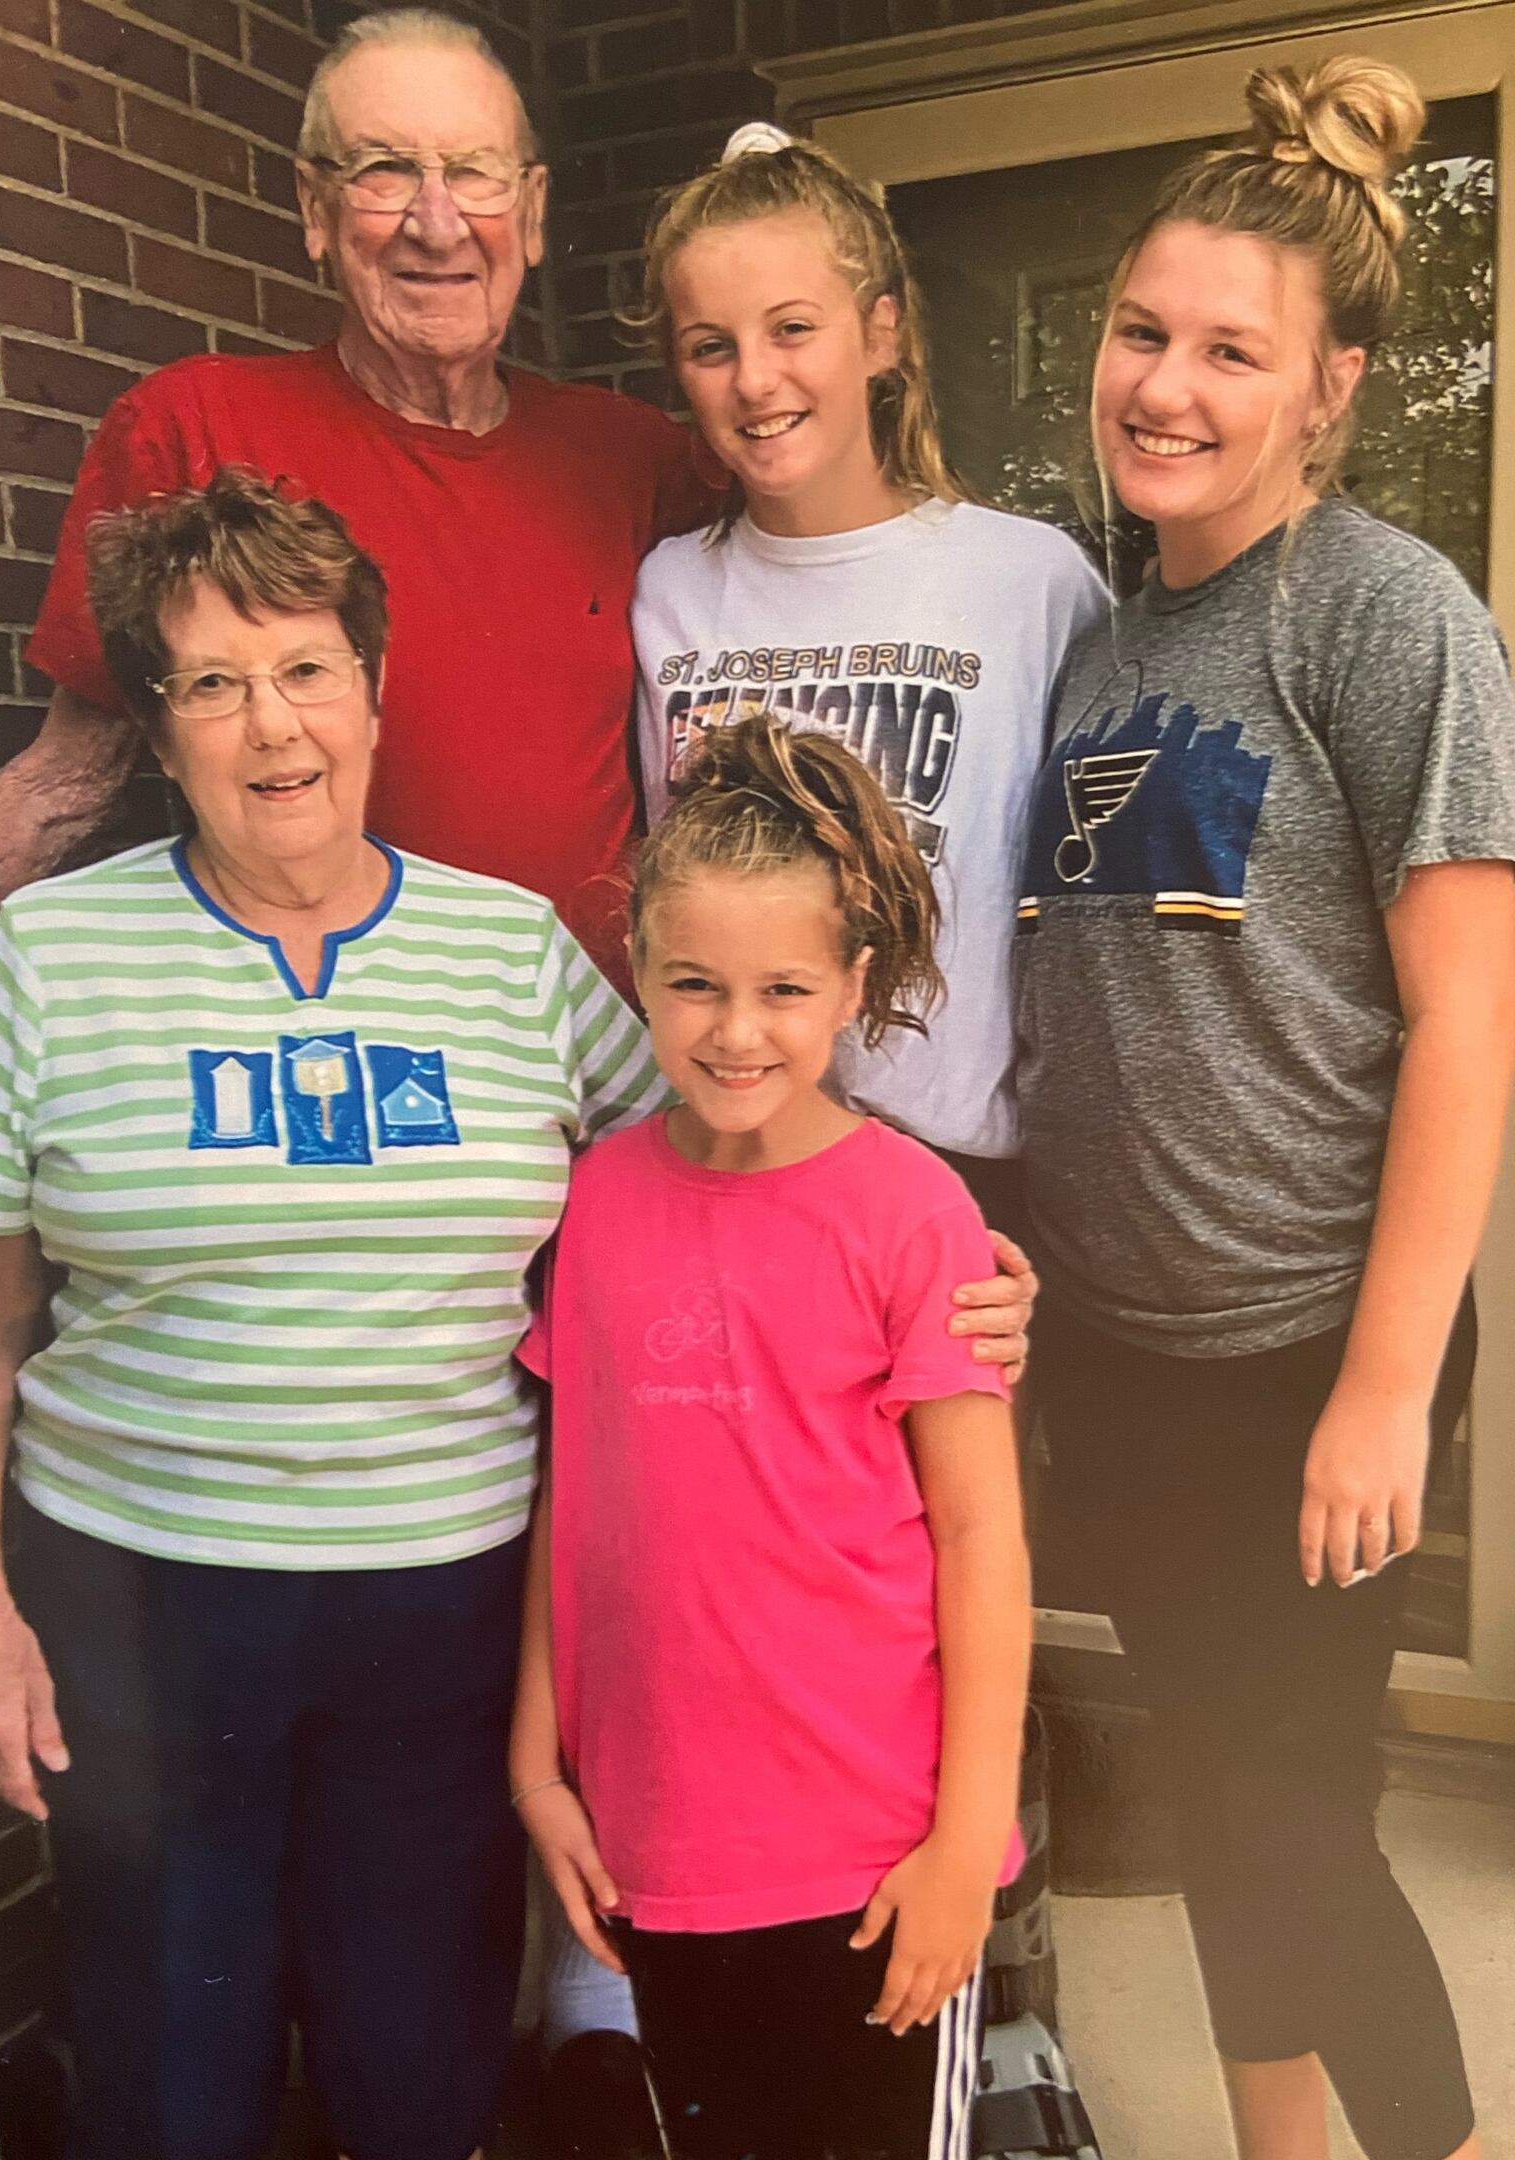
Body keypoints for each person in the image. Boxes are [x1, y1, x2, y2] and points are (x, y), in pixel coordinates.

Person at [0, 469, 667, 2160]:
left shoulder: (514, 953)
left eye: (309, 668)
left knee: (423, 2060)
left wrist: (919, 1258)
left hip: (449, 1604)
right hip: (141, 1604)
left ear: (375, 693)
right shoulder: (53, 953)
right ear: (160, 731)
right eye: (213, 683)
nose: (275, 727)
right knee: (174, 2069)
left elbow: (690, 1190)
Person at [1014, 58, 1515, 2160]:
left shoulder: (1386, 616)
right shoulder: (1098, 631)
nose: (1168, 387)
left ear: (1330, 386)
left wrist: (1383, 1388)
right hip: (1123, 1357)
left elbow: (1468, 1030)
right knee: (1223, 1803)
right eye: (1141, 332)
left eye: (1232, 350)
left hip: (1308, 1352)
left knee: (1291, 1830)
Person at [0, 6, 712, 996]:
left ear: (534, 211)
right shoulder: (195, 428)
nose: (436, 220)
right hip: (315, 1082)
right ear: (315, 208)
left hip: (591, 1071)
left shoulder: (630, 458)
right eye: (383, 171)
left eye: (475, 172)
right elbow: (67, 784)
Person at [511, 714, 1034, 2160]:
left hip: (874, 1859)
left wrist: (961, 1848)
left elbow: (983, 1538)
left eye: (784, 989)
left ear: (851, 987)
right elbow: (581, 1498)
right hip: (660, 1849)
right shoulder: (601, 1197)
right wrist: (536, 1767)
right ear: (640, 977)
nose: (737, 1031)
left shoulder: (912, 1213)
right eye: (695, 986)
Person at [629, 124, 1106, 1242]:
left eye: (793, 328)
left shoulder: (1027, 582)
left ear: (880, 332)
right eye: (710, 346)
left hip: (956, 1174)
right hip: (729, 1146)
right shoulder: (664, 592)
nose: (755, 379)